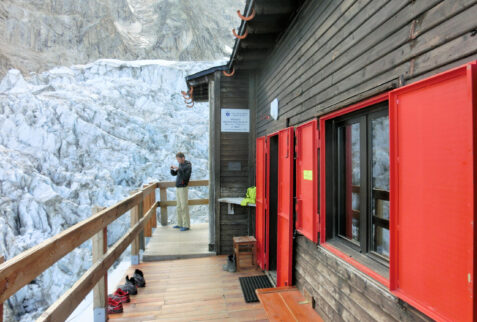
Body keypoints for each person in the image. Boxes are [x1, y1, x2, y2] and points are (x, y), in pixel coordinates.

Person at [170, 152, 192, 231]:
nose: (178, 161)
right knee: (179, 206)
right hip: (178, 187)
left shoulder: (188, 165)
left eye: (179, 159)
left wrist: (179, 169)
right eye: (177, 159)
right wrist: (172, 170)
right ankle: (180, 223)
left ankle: (186, 225)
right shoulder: (180, 165)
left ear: (183, 158)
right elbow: (175, 174)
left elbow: (186, 176)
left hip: (183, 187)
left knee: (184, 206)